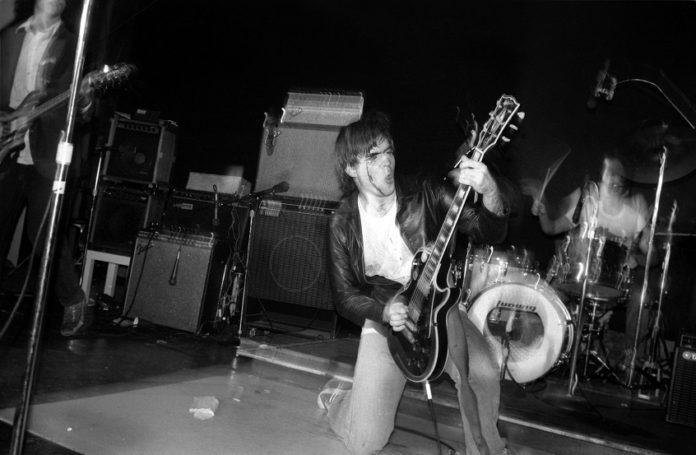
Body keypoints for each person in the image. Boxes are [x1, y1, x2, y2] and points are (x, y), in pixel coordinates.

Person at [320, 111, 511, 455]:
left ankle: (490, 451)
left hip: (439, 309)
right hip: (386, 319)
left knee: (481, 372)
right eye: (374, 156)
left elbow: (488, 229)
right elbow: (344, 297)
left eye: (389, 151)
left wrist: (489, 191)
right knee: (364, 442)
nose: (387, 161)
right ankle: (339, 400)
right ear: (351, 168)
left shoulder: (425, 192)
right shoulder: (342, 222)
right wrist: (383, 310)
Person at [0, 0, 93, 336]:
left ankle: (72, 301)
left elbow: (80, 111)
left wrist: (83, 99)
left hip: (45, 153)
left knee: (43, 235)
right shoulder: (9, 37)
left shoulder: (72, 45)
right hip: (8, 149)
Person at [528, 154, 656, 373]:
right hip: (581, 276)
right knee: (553, 292)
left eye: (618, 175)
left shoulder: (634, 214)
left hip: (617, 283)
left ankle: (630, 360)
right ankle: (545, 353)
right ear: (602, 178)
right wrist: (542, 212)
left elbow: (653, 258)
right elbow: (550, 229)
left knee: (641, 297)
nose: (614, 178)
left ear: (623, 183)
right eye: (609, 173)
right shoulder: (585, 201)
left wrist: (639, 258)